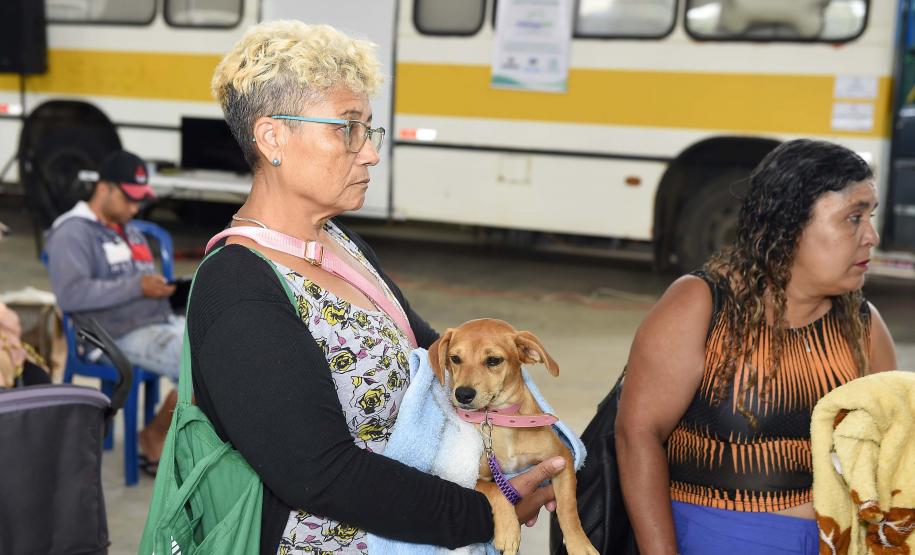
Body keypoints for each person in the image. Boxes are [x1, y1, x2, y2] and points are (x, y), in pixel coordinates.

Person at [190, 20, 564, 555]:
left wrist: (528, 433)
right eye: (347, 129)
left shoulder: (342, 243)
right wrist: (483, 511)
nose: (369, 152)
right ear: (273, 137)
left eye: (369, 130)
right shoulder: (238, 288)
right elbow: (318, 472)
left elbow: (430, 351)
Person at [616, 139, 898, 555]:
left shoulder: (863, 326)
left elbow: (889, 457)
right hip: (714, 537)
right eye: (853, 218)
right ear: (789, 224)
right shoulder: (702, 305)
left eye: (870, 217)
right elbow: (636, 434)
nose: (871, 236)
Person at [44, 150, 180, 472]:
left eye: (140, 200)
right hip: (108, 336)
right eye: (129, 199)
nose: (135, 208)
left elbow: (141, 280)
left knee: (222, 340)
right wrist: (138, 287)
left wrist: (165, 290)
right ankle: (155, 436)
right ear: (103, 189)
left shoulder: (128, 228)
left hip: (154, 321)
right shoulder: (72, 232)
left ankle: (171, 436)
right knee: (201, 361)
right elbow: (71, 294)